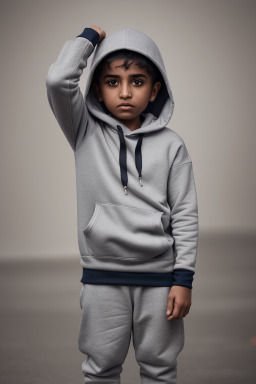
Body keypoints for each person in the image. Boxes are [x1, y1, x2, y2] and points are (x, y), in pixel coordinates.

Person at [46, 24, 199, 384]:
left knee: (160, 371)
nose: (125, 91)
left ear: (155, 88)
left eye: (138, 81)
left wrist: (184, 279)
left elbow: (185, 214)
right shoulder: (83, 131)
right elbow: (58, 80)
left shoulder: (172, 146)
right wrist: (88, 40)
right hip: (102, 279)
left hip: (161, 280)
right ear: (97, 88)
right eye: (113, 81)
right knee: (100, 370)